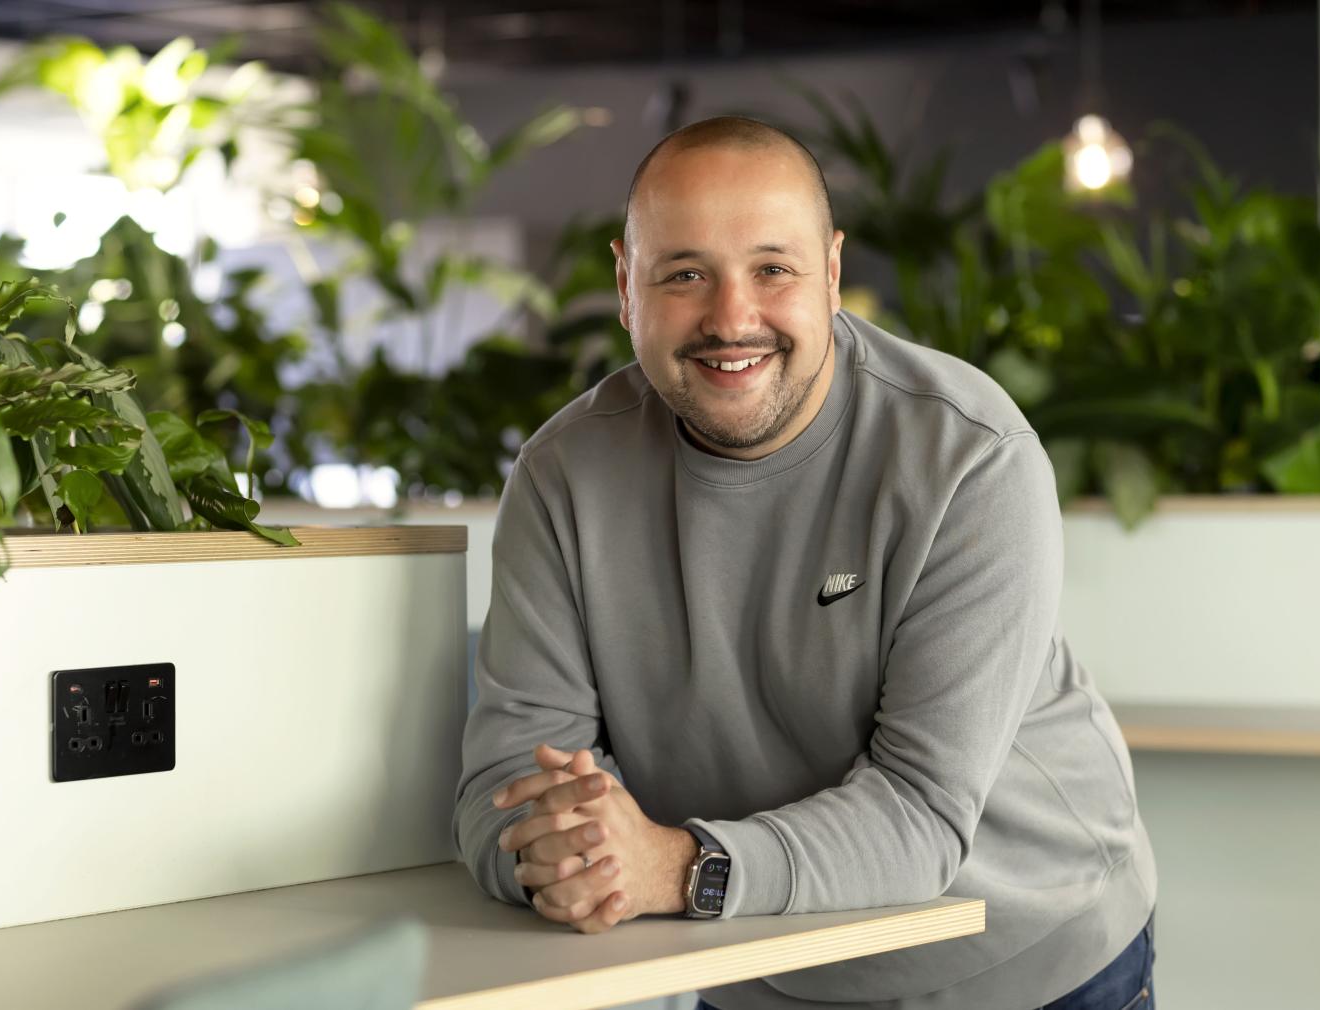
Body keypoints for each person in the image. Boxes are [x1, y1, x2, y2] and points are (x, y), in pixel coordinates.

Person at [454, 115, 1158, 1010]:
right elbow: (504, 789)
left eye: (772, 269)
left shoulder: (969, 455)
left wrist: (678, 868)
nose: (730, 318)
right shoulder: (564, 479)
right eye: (684, 274)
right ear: (626, 284)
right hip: (751, 967)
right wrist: (561, 854)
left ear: (830, 273)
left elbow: (919, 817)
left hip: (1025, 962)